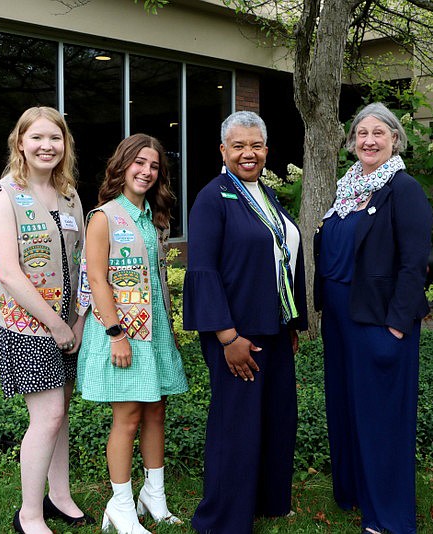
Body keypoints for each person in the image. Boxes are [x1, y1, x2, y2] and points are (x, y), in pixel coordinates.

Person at [183, 110, 308, 533]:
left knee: (276, 419)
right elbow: (203, 270)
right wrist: (226, 335)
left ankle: (268, 501)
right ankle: (223, 519)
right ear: (223, 150)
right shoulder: (212, 197)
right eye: (238, 146)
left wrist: (291, 323)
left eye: (255, 146)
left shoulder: (266, 196)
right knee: (235, 427)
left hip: (273, 330)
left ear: (267, 151)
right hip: (236, 334)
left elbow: (281, 260)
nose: (248, 153)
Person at [313, 102, 433, 534]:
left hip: (380, 318)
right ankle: (355, 493)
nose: (369, 140)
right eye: (362, 133)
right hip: (341, 317)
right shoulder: (349, 187)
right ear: (352, 143)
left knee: (382, 416)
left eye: (378, 133)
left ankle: (388, 516)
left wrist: (398, 322)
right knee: (347, 407)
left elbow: (416, 261)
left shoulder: (402, 188)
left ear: (395, 140)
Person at [0, 106, 93, 533]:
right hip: (26, 326)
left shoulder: (69, 194)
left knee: (60, 412)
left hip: (68, 321)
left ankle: (59, 496)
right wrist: (57, 325)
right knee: (46, 417)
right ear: (20, 143)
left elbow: (82, 261)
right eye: (38, 138)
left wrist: (78, 319)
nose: (47, 146)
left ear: (65, 145)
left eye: (56, 138)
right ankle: (28, 513)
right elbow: (8, 272)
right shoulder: (3, 195)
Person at [76, 134, 188, 533]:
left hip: (154, 330)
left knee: (156, 409)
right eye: (139, 163)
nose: (147, 171)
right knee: (127, 417)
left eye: (154, 166)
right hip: (121, 331)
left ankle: (153, 496)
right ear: (122, 166)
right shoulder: (104, 216)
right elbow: (97, 279)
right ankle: (121, 506)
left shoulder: (154, 218)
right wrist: (115, 333)